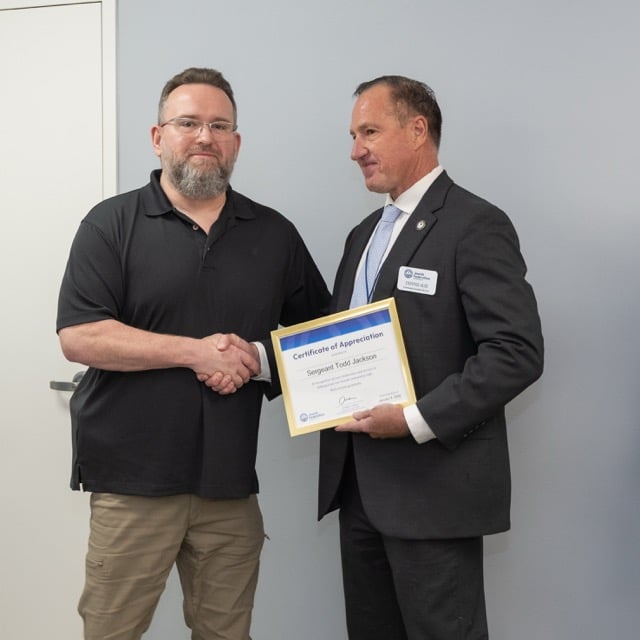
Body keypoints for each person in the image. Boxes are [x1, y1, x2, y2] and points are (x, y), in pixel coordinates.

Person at [56, 67, 330, 640]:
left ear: (236, 142)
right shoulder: (110, 224)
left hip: (230, 488)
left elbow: (323, 340)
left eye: (219, 126)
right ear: (158, 137)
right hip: (132, 487)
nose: (205, 136)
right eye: (188, 123)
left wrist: (254, 358)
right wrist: (196, 353)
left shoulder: (274, 234)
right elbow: (80, 335)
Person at [318, 75, 544, 639]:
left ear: (418, 130)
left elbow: (516, 351)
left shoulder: (474, 224)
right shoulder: (363, 235)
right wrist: (258, 358)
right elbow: (336, 342)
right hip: (359, 493)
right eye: (352, 136)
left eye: (369, 132)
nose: (355, 150)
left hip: (434, 496)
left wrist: (415, 420)